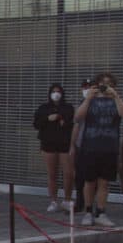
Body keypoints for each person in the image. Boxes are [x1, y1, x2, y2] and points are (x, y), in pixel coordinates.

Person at [73, 72, 123, 227]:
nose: (106, 87)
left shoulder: (115, 101)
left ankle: (101, 212)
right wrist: (88, 98)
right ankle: (88, 212)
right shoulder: (89, 100)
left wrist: (116, 97)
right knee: (89, 181)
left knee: (104, 183)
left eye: (110, 84)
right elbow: (77, 117)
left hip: (109, 148)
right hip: (89, 147)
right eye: (103, 84)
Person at [31, 83, 76, 213]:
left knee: (68, 173)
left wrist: (61, 119)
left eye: (58, 92)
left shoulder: (68, 108)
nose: (56, 94)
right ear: (50, 94)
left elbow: (72, 123)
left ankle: (67, 200)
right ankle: (53, 201)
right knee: (52, 174)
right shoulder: (43, 108)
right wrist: (47, 118)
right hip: (48, 144)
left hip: (65, 144)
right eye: (54, 91)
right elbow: (36, 124)